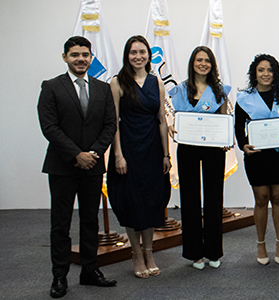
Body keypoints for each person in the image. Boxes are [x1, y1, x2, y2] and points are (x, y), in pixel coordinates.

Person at [38, 36, 118, 298]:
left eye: (85, 54)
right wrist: (76, 155)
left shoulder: (103, 89)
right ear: (65, 58)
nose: (81, 59)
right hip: (62, 166)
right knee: (60, 223)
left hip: (93, 166)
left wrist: (93, 153)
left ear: (91, 57)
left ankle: (89, 270)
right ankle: (59, 276)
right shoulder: (51, 87)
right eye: (75, 55)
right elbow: (49, 127)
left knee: (89, 220)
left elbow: (110, 125)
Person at [106, 35, 171, 279]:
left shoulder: (157, 82)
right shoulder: (118, 82)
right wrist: (118, 155)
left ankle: (149, 252)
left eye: (142, 52)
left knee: (151, 202)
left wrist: (166, 154)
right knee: (132, 203)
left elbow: (162, 121)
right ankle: (135, 253)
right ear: (127, 55)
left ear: (148, 55)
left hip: (153, 151)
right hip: (129, 151)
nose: (138, 56)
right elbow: (114, 123)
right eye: (133, 52)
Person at [168, 46, 232, 270]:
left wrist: (226, 138)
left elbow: (224, 117)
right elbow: (172, 117)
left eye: (207, 60)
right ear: (192, 63)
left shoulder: (220, 90)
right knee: (190, 198)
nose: (203, 64)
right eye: (199, 60)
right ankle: (194, 252)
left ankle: (214, 251)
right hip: (187, 148)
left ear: (212, 64)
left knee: (214, 198)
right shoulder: (179, 90)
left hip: (213, 148)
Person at [235, 54, 279, 266]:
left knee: (278, 197)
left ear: (275, 73)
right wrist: (243, 145)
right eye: (261, 70)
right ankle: (260, 243)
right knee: (261, 198)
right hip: (256, 155)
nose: (265, 74)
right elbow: (238, 127)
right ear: (254, 73)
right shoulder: (244, 98)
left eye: (270, 70)